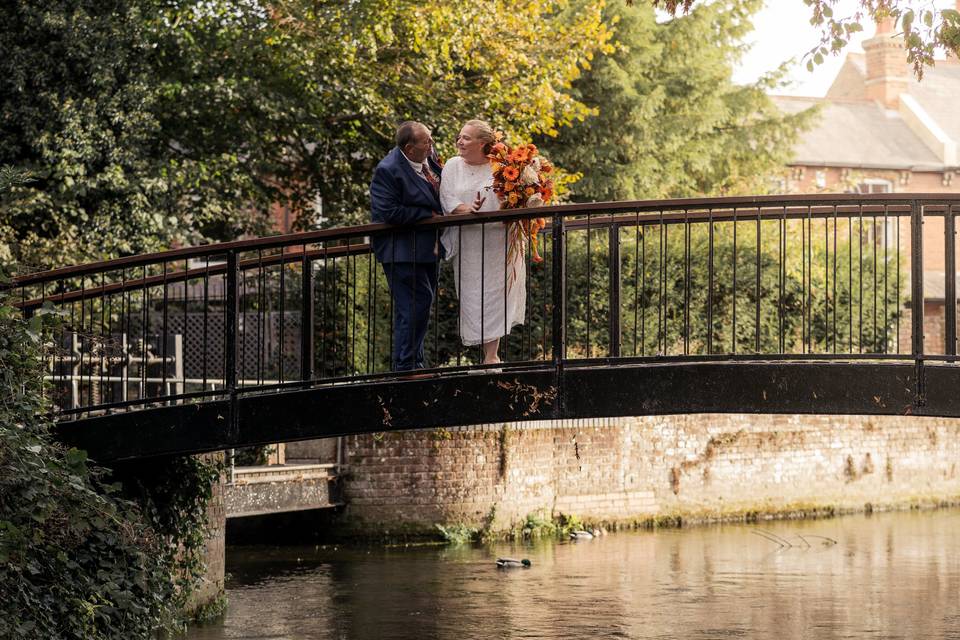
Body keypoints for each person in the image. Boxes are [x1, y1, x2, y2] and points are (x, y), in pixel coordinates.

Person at [440, 119, 525, 365]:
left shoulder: (503, 166)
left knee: (497, 294)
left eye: (466, 138)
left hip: (499, 240)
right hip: (470, 241)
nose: (459, 141)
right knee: (473, 294)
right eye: (459, 136)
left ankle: (491, 357)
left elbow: (516, 198)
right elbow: (447, 198)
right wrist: (467, 209)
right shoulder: (453, 166)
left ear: (483, 144)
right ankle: (482, 356)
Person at [370, 121, 444, 371]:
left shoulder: (429, 157)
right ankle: (406, 367)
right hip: (400, 251)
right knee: (414, 306)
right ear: (409, 148)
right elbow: (387, 211)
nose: (431, 144)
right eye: (426, 141)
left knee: (422, 305)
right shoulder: (388, 170)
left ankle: (414, 363)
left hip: (427, 249)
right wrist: (427, 215)